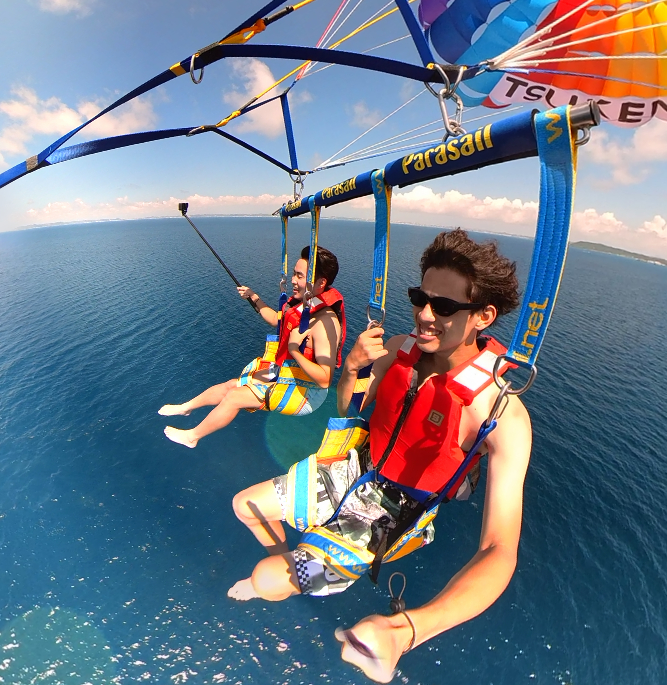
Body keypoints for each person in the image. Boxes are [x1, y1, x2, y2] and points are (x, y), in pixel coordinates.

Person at [228, 229, 531, 683]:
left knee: (266, 579)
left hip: (391, 510)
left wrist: (406, 629)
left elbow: (499, 549)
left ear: (484, 316)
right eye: (420, 298)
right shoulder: (397, 351)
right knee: (244, 506)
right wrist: (351, 367)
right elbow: (350, 408)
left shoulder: (500, 413)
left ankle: (293, 569)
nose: (425, 316)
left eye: (444, 307)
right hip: (355, 466)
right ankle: (306, 554)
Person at [161, 245, 345, 449]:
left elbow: (325, 379)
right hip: (287, 372)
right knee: (232, 385)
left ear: (321, 282)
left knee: (234, 397)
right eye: (294, 274)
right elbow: (279, 320)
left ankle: (192, 437)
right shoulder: (304, 305)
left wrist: (293, 349)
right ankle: (186, 407)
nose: (293, 280)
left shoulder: (325, 323)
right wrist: (254, 298)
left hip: (307, 392)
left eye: (299, 276)